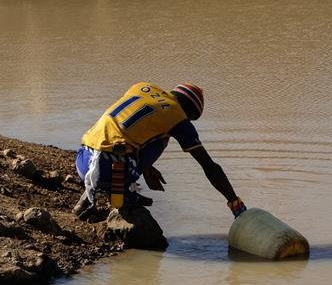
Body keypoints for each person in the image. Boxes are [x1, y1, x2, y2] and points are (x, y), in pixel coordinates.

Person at [73, 82, 247, 221]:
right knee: (164, 137)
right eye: (191, 118)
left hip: (83, 158)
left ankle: (89, 197)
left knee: (148, 131)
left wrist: (147, 168)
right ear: (189, 111)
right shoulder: (178, 118)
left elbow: (130, 129)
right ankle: (123, 194)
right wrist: (234, 202)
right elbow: (209, 166)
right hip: (109, 168)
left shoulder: (142, 87)